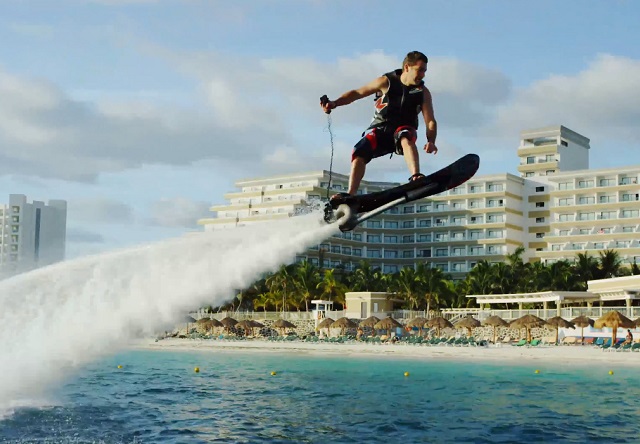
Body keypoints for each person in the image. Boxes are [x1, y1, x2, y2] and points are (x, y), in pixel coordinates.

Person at [320, 51, 438, 204]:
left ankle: (416, 176)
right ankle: (351, 195)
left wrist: (431, 140)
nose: (422, 75)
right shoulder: (386, 82)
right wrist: (335, 103)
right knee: (359, 152)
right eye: (419, 70)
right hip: (381, 131)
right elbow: (357, 93)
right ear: (407, 67)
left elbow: (430, 121)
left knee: (404, 135)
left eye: (424, 71)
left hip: (403, 130)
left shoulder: (423, 92)